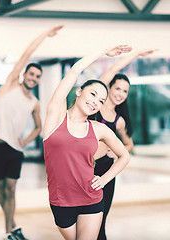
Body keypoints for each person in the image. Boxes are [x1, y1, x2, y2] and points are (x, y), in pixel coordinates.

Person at [43, 45, 131, 240]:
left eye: (101, 101)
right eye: (92, 94)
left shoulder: (98, 129)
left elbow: (124, 155)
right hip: (60, 201)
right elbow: (75, 71)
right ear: (79, 92)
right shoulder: (56, 118)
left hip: (91, 198)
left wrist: (105, 179)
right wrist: (103, 51)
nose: (95, 102)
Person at [0, 25, 63, 240]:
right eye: (32, 74)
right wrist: (44, 35)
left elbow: (39, 126)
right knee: (2, 190)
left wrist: (26, 141)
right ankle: (11, 226)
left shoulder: (35, 103)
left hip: (14, 148)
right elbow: (26, 54)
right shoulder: (9, 85)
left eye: (38, 76)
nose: (34, 78)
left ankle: (9, 230)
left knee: (11, 189)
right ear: (24, 75)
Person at [90, 48, 157, 240]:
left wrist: (116, 151)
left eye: (125, 91)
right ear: (109, 87)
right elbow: (111, 71)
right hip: (85, 168)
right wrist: (134, 54)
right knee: (84, 219)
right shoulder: (96, 105)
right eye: (117, 88)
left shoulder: (119, 121)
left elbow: (129, 145)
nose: (120, 93)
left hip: (106, 171)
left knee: (100, 221)